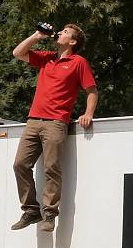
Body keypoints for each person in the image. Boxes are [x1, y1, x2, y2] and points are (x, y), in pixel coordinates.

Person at [11, 23, 98, 233]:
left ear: (73, 41)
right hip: (33, 120)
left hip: (56, 122)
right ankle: (31, 210)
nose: (60, 33)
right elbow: (17, 53)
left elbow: (92, 91)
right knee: (20, 164)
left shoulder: (78, 62)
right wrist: (37, 35)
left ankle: (49, 214)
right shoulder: (47, 57)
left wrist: (88, 114)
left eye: (65, 32)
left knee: (52, 168)